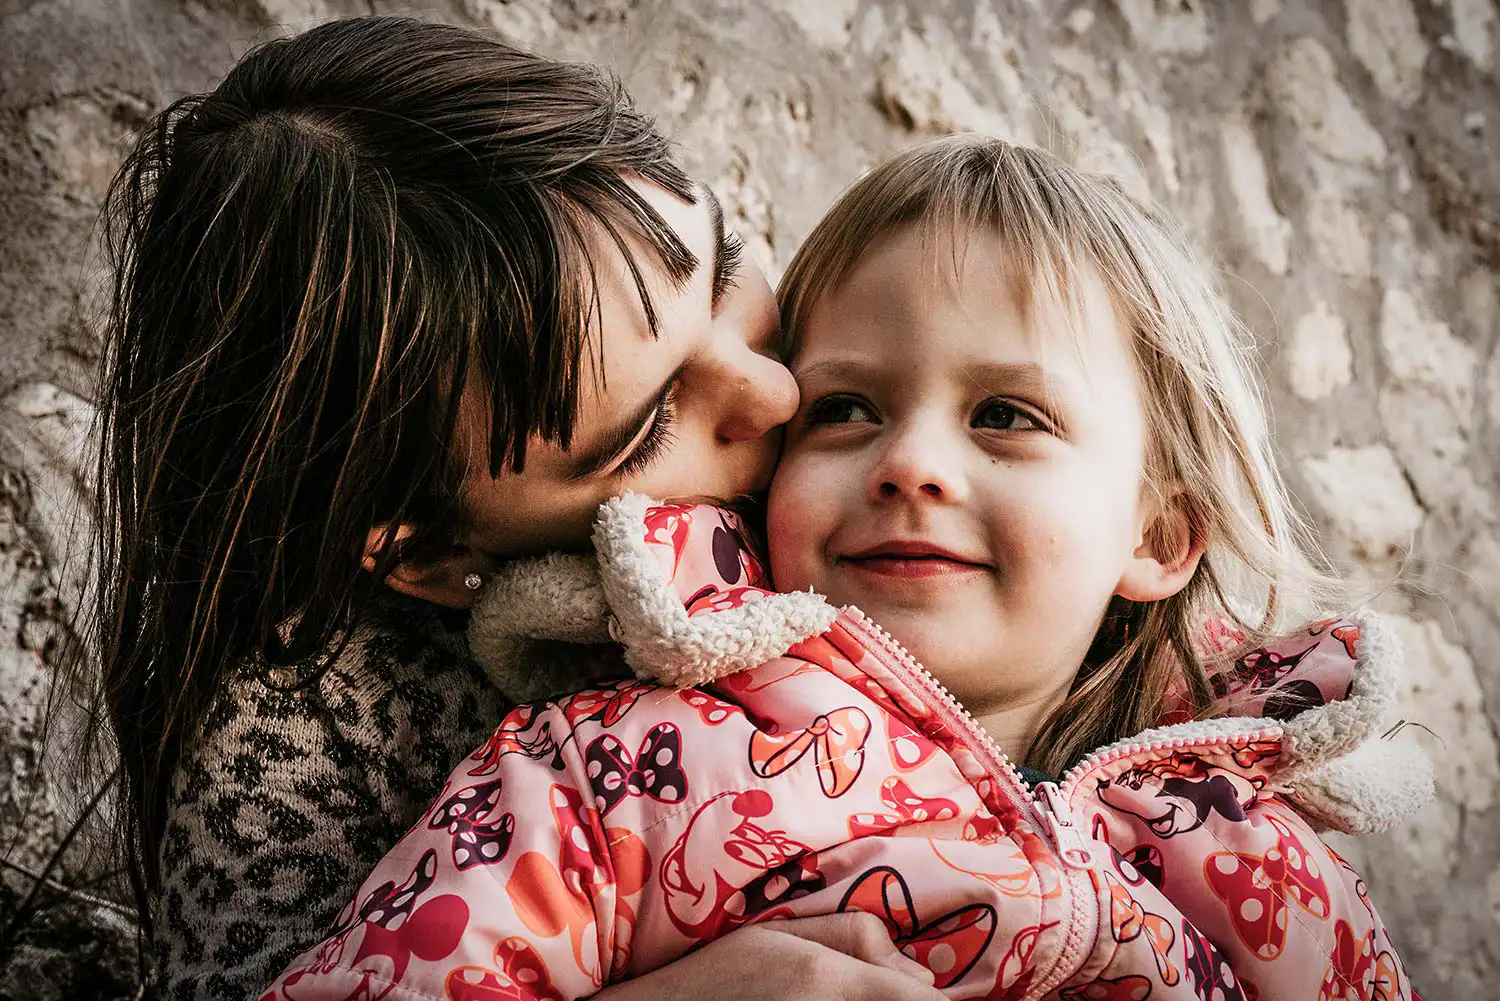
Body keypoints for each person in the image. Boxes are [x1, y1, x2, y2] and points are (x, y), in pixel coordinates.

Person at [259, 137, 1431, 999]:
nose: (911, 461)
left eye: (1008, 414)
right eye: (848, 406)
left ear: (1158, 536)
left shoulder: (1260, 858)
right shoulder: (617, 771)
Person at [86, 15, 946, 1001]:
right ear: (431, 555)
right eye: (650, 424)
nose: (774, 394)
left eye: (724, 270)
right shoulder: (294, 742)